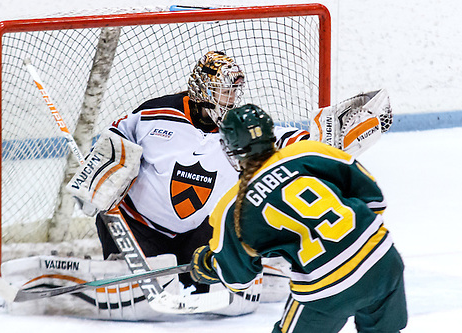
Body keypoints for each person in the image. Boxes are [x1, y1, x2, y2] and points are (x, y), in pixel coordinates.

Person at [92, 51, 309, 296]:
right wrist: (96, 181)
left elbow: (283, 139)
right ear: (204, 89)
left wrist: (319, 142)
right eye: (225, 90)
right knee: (133, 288)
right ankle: (117, 268)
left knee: (206, 276)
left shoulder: (236, 127)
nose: (232, 98)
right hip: (140, 226)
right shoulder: (155, 114)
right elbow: (114, 142)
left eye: (235, 91)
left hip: (196, 235)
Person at [190, 104, 408, 332]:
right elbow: (374, 199)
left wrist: (210, 264)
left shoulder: (233, 205)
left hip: (327, 288)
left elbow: (239, 278)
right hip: (384, 260)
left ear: (232, 148)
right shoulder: (310, 151)